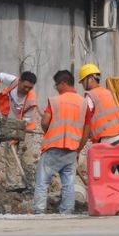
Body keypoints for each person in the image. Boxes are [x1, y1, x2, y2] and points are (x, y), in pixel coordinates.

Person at [33, 70, 85, 215]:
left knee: (42, 181)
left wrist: (48, 132)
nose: (56, 88)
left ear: (63, 83)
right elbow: (87, 128)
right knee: (68, 182)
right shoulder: (83, 102)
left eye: (56, 85)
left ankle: (39, 210)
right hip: (72, 149)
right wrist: (79, 147)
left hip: (53, 147)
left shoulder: (55, 101)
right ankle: (67, 210)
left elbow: (44, 122)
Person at [76, 63, 119, 151]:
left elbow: (85, 124)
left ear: (91, 79)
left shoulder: (90, 96)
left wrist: (79, 149)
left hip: (108, 142)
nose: (82, 84)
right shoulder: (107, 92)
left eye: (83, 81)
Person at [0, 71, 39, 146]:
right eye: (25, 86)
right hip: (4, 113)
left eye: (30, 88)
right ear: (20, 81)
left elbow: (25, 123)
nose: (27, 90)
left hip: (17, 123)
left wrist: (16, 137)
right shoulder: (14, 81)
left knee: (1, 139)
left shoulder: (31, 101)